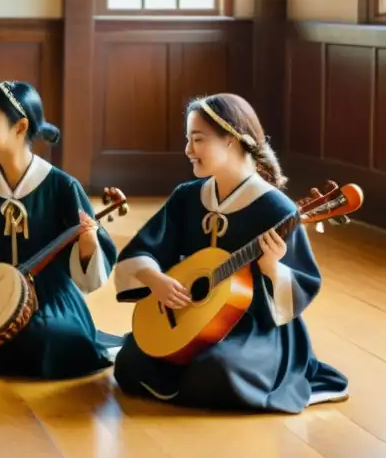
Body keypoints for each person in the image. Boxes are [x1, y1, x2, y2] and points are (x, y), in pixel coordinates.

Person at [111, 93, 349, 413]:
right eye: (188, 139)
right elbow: (144, 249)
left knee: (217, 369)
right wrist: (155, 279)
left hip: (254, 326)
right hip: (190, 320)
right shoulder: (188, 197)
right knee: (130, 360)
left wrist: (272, 268)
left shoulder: (277, 208)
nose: (188, 150)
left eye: (198, 140)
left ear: (232, 142)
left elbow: (301, 283)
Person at [0, 81, 120, 380]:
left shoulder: (63, 187)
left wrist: (88, 242)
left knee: (52, 338)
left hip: (49, 296)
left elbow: (90, 271)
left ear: (20, 126)